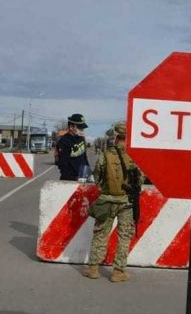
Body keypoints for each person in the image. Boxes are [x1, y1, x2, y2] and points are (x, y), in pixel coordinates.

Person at [82, 123, 141, 282]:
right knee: (124, 236)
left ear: (115, 137)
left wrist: (105, 190)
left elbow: (97, 176)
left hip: (107, 200)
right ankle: (118, 271)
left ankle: (93, 268)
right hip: (126, 201)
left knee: (101, 233)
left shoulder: (104, 155)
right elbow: (139, 179)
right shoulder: (135, 155)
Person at [57, 113, 90, 181]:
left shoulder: (81, 139)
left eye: (82, 128)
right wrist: (73, 178)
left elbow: (84, 158)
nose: (82, 130)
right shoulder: (64, 141)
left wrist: (88, 173)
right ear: (71, 127)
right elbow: (63, 165)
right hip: (69, 180)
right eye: (80, 128)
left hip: (82, 178)